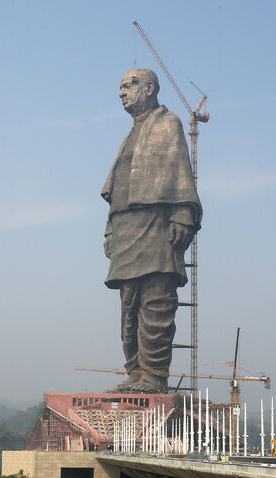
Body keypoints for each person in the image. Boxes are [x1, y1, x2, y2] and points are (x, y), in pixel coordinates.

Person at [102, 68, 203, 393]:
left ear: (149, 88)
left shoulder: (167, 123)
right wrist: (109, 231)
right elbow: (117, 188)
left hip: (157, 225)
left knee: (156, 301)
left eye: (129, 85)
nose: (122, 91)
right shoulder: (130, 134)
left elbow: (180, 173)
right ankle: (135, 371)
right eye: (120, 86)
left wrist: (183, 214)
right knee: (128, 305)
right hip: (125, 229)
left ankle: (154, 375)